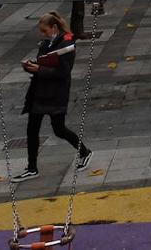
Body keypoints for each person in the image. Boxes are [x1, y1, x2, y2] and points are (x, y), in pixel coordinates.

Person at [11, 11, 92, 182]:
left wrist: (39, 69)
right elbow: (43, 61)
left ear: (54, 27)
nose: (43, 34)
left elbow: (63, 72)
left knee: (59, 129)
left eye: (45, 30)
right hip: (39, 92)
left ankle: (84, 152)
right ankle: (32, 167)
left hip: (56, 93)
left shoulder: (66, 44)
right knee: (32, 129)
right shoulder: (46, 43)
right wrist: (32, 65)